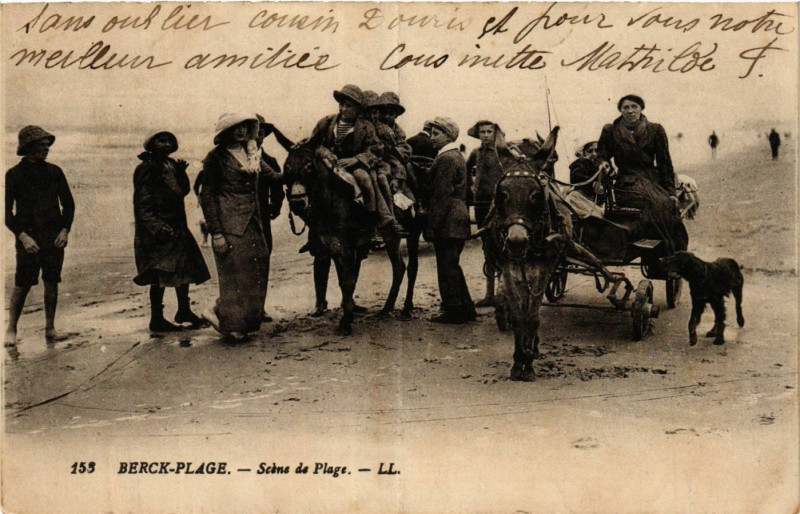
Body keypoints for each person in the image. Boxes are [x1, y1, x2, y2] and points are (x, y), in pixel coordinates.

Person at [199, 113, 275, 340]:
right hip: (229, 223)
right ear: (225, 132)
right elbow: (207, 196)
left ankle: (238, 319)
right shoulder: (215, 157)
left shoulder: (252, 152)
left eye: (245, 127)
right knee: (234, 274)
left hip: (253, 221)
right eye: (236, 128)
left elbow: (275, 177)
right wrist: (217, 233)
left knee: (257, 268)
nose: (241, 132)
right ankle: (231, 324)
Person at [133, 131, 210, 332]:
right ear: (151, 145)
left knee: (183, 269)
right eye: (161, 141)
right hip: (158, 232)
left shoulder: (171, 165)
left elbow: (181, 192)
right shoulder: (145, 169)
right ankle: (156, 318)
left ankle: (183, 310)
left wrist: (182, 172)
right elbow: (142, 204)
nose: (166, 145)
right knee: (159, 273)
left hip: (177, 227)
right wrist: (157, 228)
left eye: (169, 141)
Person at [5, 126, 75, 347]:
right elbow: (7, 215)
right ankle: (10, 329)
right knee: (22, 283)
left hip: (54, 236)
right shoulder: (14, 174)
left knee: (52, 281)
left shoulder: (55, 171)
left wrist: (65, 230)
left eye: (47, 146)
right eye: (41, 146)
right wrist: (23, 237)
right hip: (29, 238)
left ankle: (50, 328)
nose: (46, 150)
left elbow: (69, 206)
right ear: (28, 147)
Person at [424, 117, 476, 324]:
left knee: (446, 266)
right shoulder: (456, 156)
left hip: (448, 219)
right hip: (458, 216)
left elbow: (441, 196)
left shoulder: (446, 158)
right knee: (452, 265)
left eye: (435, 134)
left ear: (447, 135)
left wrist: (431, 226)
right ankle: (465, 308)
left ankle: (453, 310)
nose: (432, 138)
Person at [465, 120, 513, 307]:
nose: (485, 135)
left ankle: (504, 293)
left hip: (500, 205)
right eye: (482, 132)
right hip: (481, 205)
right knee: (487, 248)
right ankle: (489, 294)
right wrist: (470, 188)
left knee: (504, 246)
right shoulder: (475, 153)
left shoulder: (504, 153)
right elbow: (466, 170)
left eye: (489, 131)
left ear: (495, 133)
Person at [596, 94, 678, 204]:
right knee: (649, 204)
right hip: (625, 185)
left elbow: (664, 163)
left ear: (641, 108)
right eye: (625, 107)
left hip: (652, 182)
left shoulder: (655, 130)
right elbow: (601, 156)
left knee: (666, 205)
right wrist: (604, 164)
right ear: (620, 110)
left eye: (634, 106)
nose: (630, 111)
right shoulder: (611, 130)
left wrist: (671, 192)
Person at [255, 114, 291, 323]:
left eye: (261, 131)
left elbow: (277, 188)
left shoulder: (269, 161)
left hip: (262, 219)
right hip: (237, 219)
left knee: (263, 261)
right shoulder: (231, 158)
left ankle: (259, 307)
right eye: (253, 131)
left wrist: (274, 208)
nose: (257, 135)